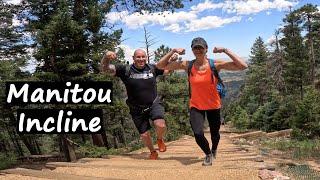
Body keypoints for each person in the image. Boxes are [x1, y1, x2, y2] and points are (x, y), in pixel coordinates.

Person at [156, 37, 248, 166]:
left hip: (213, 105)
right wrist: (172, 51)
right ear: (192, 50)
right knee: (198, 133)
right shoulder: (188, 65)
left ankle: (214, 148)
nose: (198, 50)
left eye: (201, 47)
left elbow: (243, 66)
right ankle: (208, 154)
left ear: (206, 49)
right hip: (196, 106)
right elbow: (160, 66)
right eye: (195, 47)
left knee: (215, 134)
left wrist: (225, 50)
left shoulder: (214, 64)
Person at [100, 49, 173, 160]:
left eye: (143, 57)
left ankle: (159, 139)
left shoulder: (153, 68)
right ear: (133, 58)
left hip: (153, 103)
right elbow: (105, 70)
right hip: (136, 108)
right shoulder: (125, 70)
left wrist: (171, 62)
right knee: (144, 134)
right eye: (138, 57)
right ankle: (153, 152)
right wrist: (106, 57)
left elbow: (168, 71)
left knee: (160, 124)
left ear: (146, 57)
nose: (141, 59)